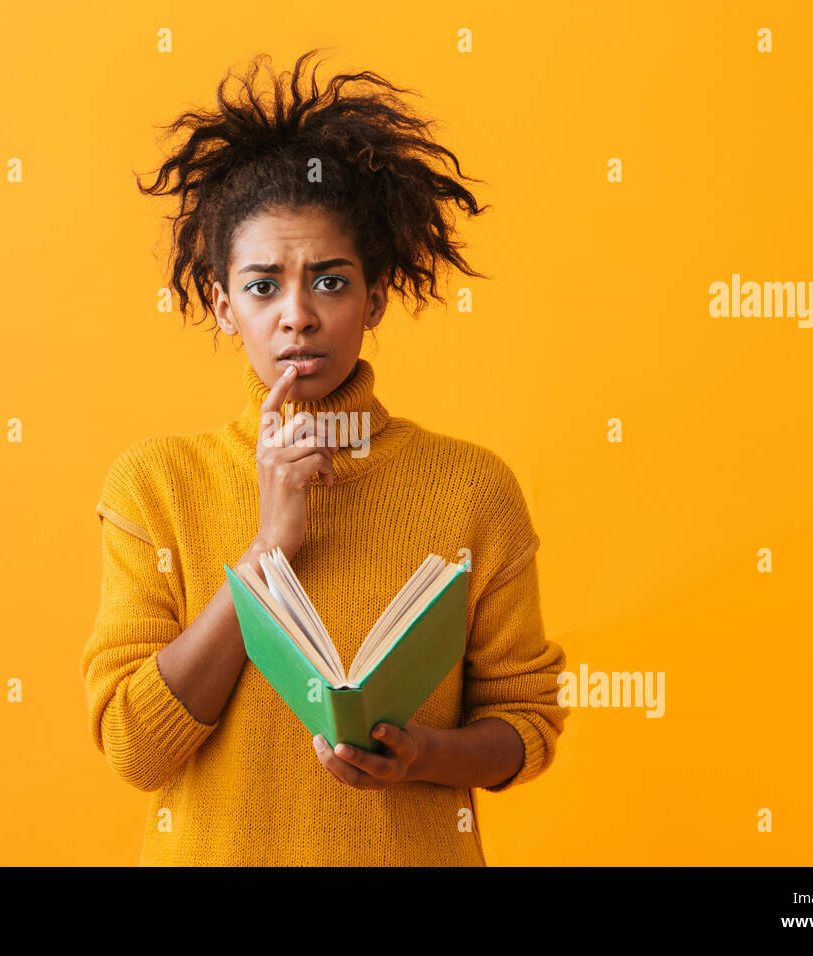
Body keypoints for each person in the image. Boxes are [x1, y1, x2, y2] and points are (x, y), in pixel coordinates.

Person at [80, 49, 569, 865]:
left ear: (376, 296)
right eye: (264, 286)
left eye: (331, 283)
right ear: (223, 303)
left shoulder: (472, 486)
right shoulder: (155, 484)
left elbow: (526, 725)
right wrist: (268, 550)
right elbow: (135, 747)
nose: (297, 316)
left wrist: (422, 755)